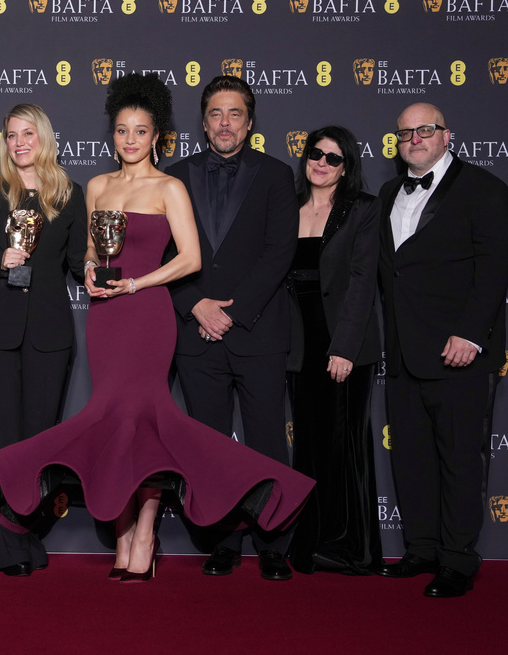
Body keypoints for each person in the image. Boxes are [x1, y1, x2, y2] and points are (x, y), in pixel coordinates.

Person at [0, 74, 314, 582]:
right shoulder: (97, 187)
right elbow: (89, 248)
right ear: (113, 136)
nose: (130, 139)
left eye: (140, 131)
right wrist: (89, 268)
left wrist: (136, 284)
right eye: (122, 130)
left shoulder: (170, 187)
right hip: (106, 318)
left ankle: (146, 532)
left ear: (156, 137)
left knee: (146, 427)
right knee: (113, 427)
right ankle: (123, 535)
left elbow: (190, 259)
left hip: (147, 315)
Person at [166, 75, 299, 581]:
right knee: (209, 443)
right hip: (195, 333)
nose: (225, 123)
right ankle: (222, 540)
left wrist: (232, 312)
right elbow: (162, 253)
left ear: (249, 122)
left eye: (235, 114)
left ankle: (272, 542)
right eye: (216, 114)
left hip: (257, 332)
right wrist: (195, 305)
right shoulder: (174, 176)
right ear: (203, 123)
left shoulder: (276, 174)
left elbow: (278, 253)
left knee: (267, 441)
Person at [376, 103, 508, 597]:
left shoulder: (483, 188)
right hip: (403, 352)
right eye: (405, 132)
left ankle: (457, 561)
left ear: (446, 135)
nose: (414, 138)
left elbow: (495, 267)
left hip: (459, 352)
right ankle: (422, 549)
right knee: (412, 457)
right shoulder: (388, 193)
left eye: (425, 130)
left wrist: (471, 333)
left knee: (459, 460)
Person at [0, 104, 87, 576]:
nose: (19, 143)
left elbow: (78, 261)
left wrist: (104, 266)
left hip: (49, 333)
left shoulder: (69, 193)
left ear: (45, 138)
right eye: (11, 135)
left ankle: (25, 536)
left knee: (38, 443)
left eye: (28, 133)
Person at [285, 126, 383, 575]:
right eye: (315, 154)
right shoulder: (287, 206)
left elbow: (363, 282)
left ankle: (352, 548)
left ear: (346, 167)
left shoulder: (362, 209)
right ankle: (310, 539)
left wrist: (343, 348)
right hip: (299, 343)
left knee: (345, 444)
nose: (321, 163)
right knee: (308, 442)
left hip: (344, 342)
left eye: (333, 158)